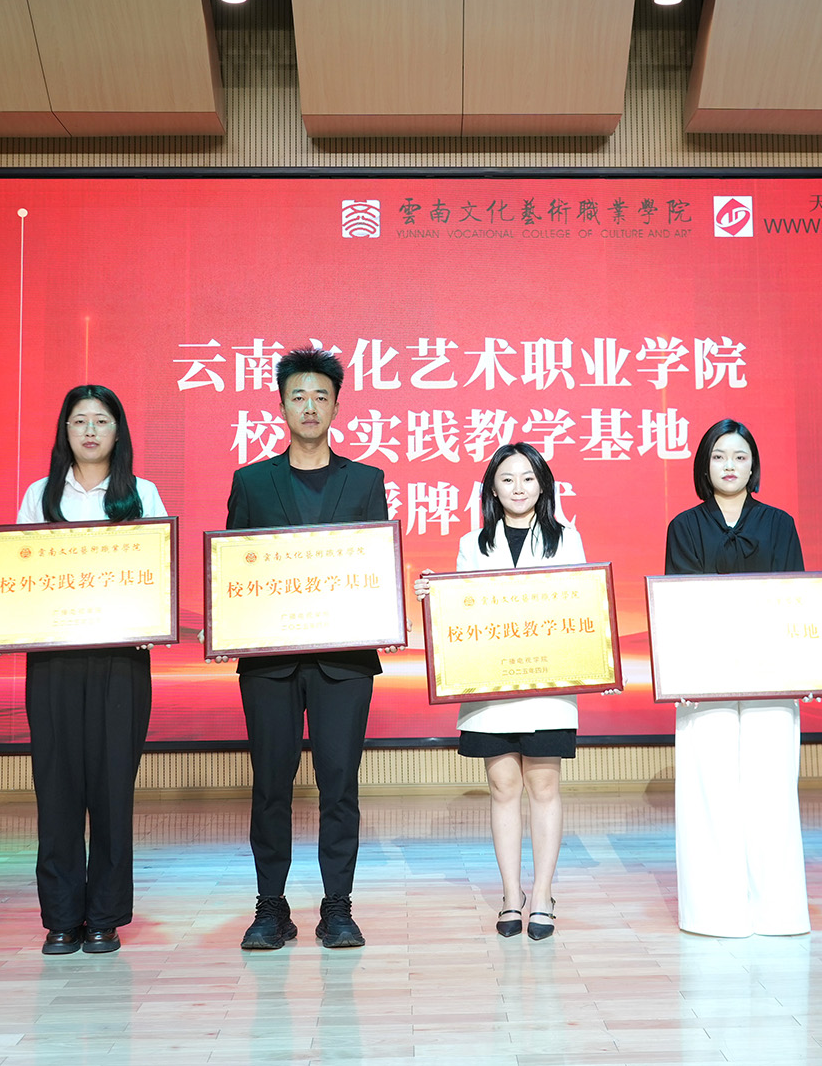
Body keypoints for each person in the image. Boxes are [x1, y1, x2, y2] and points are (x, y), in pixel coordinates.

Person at [225, 347, 388, 951]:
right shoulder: (251, 481)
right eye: (298, 396)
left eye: (321, 396)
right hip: (269, 663)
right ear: (282, 406)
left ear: (337, 406)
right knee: (271, 785)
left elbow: (375, 567)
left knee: (339, 786)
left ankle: (337, 908)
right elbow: (234, 568)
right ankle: (270, 909)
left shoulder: (366, 481)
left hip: (344, 664)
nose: (310, 406)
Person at [412, 442, 589, 941]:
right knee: (503, 788)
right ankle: (512, 895)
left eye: (528, 478)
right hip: (491, 687)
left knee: (544, 787)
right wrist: (434, 592)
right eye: (507, 479)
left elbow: (579, 604)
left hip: (547, 684)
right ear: (492, 488)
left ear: (544, 486)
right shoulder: (474, 543)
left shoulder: (566, 539)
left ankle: (543, 894)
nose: (518, 488)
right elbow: (462, 612)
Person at [15, 385, 166, 956]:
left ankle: (104, 915)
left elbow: (158, 572)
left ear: (118, 431)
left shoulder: (141, 493)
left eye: (101, 421)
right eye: (79, 421)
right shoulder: (40, 495)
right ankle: (61, 917)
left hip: (120, 663)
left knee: (111, 790)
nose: (90, 431)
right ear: (65, 431)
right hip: (53, 661)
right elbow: (19, 576)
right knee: (56, 789)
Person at [663, 419, 811, 937]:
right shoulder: (684, 526)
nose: (730, 465)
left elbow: (796, 602)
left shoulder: (780, 523)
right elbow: (680, 605)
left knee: (772, 789)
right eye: (719, 456)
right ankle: (714, 913)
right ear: (704, 466)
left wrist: (801, 665)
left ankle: (778, 911)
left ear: (754, 466)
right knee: (709, 789)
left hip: (772, 675)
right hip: (705, 678)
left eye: (740, 456)